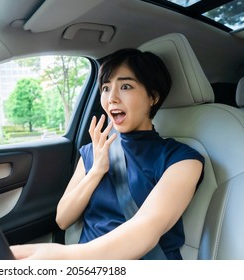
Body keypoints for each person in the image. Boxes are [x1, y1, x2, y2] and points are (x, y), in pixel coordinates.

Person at [10, 48, 204, 260]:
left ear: (153, 97)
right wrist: (96, 170)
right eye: (105, 88)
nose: (111, 98)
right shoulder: (94, 149)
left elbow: (146, 229)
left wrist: (67, 257)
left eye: (126, 86)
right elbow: (63, 219)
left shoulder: (182, 159)